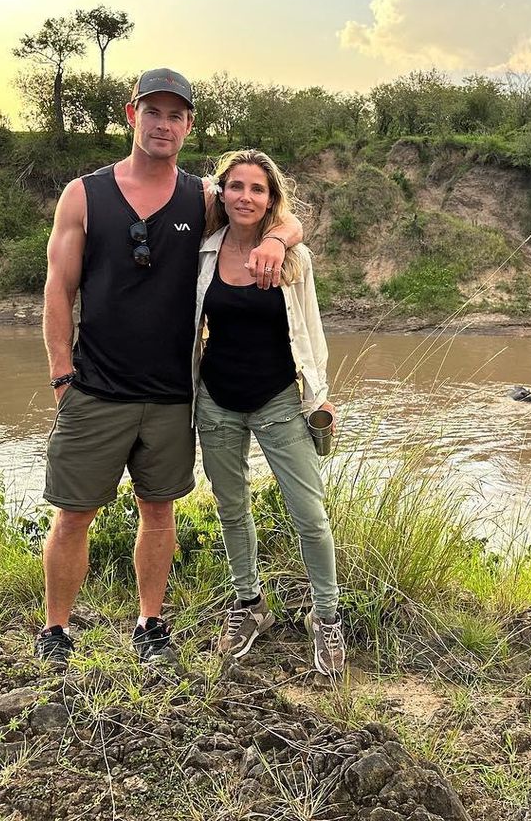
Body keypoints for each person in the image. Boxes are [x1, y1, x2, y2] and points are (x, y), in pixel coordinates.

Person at [37, 70, 302, 666]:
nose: (164, 124)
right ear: (132, 116)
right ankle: (56, 630)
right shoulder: (84, 194)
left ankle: (150, 624)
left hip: (172, 392)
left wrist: (279, 241)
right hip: (95, 387)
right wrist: (61, 373)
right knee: (73, 512)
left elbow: (275, 213)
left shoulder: (201, 197)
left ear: (188, 125)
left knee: (159, 512)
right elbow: (59, 288)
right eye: (152, 112)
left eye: (176, 115)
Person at [194, 149, 345, 677]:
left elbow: (311, 331)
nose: (246, 197)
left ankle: (326, 618)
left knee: (310, 515)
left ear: (271, 199)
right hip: (215, 398)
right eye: (236, 186)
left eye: (257, 189)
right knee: (231, 508)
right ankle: (249, 604)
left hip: (280, 398)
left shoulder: (292, 259)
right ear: (222, 192)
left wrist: (318, 394)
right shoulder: (204, 252)